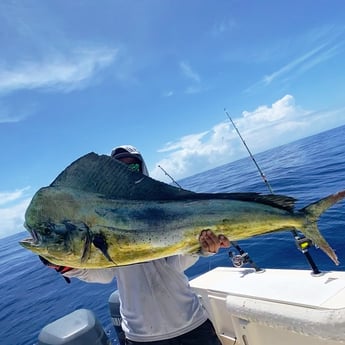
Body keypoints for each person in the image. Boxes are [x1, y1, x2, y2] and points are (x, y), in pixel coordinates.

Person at [41, 145, 230, 345]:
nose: (127, 174)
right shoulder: (103, 220)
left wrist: (204, 249)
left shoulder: (164, 208)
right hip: (141, 336)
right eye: (119, 169)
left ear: (142, 168)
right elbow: (104, 275)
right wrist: (68, 267)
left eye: (131, 168)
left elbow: (181, 260)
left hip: (192, 324)